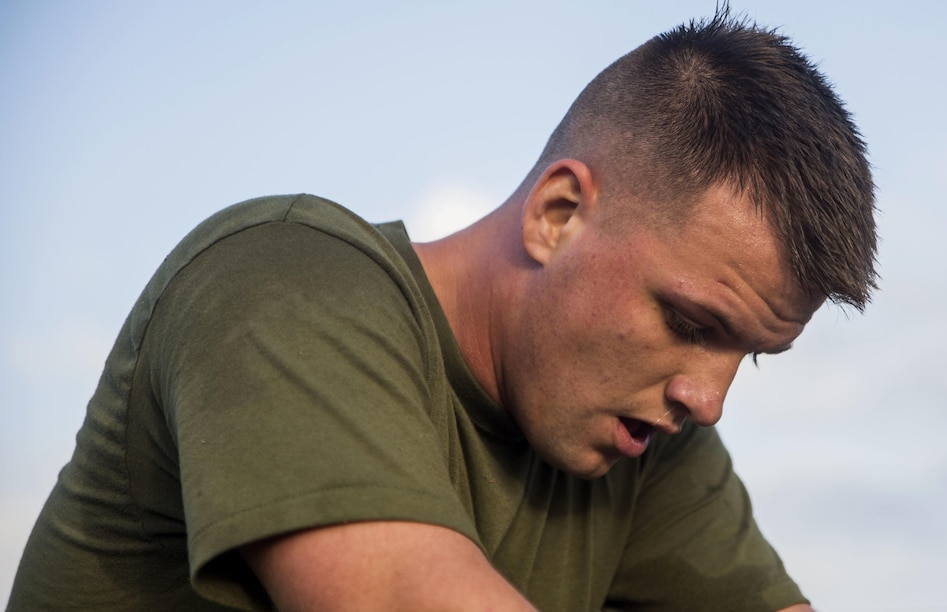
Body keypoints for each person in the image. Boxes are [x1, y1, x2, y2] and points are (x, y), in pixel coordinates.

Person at [10, 8, 876, 612]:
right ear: (558, 215)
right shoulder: (281, 283)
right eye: (692, 323)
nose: (709, 399)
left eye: (749, 355)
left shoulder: (646, 438)